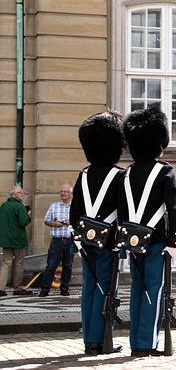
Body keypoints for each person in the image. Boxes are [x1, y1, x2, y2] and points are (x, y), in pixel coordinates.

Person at [118, 107, 176, 357]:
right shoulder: (165, 171)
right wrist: (174, 242)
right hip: (156, 240)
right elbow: (173, 210)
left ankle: (136, 341)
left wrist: (124, 241)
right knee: (153, 290)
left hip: (133, 241)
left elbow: (123, 211)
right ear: (159, 143)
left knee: (137, 289)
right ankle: (147, 343)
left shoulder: (127, 173)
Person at [70, 111, 126, 355]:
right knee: (106, 288)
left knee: (89, 288)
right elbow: (125, 211)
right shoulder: (119, 175)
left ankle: (89, 340)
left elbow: (74, 212)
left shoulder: (83, 175)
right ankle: (102, 340)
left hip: (85, 239)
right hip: (109, 240)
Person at [39, 184, 74, 297]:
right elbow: (46, 220)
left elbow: (81, 222)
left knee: (68, 266)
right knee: (51, 265)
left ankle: (64, 288)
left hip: (70, 240)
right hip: (57, 240)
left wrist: (72, 221)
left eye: (65, 192)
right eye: (61, 191)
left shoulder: (75, 207)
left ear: (70, 194)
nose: (63, 193)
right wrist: (54, 223)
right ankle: (45, 289)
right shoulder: (54, 206)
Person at [0, 186, 32, 296]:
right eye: (21, 193)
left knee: (6, 263)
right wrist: (28, 216)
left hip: (5, 240)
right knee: (19, 264)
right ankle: (17, 288)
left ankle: (1, 288)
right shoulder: (19, 206)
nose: (23, 195)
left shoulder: (3, 206)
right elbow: (23, 222)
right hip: (18, 240)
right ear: (17, 194)